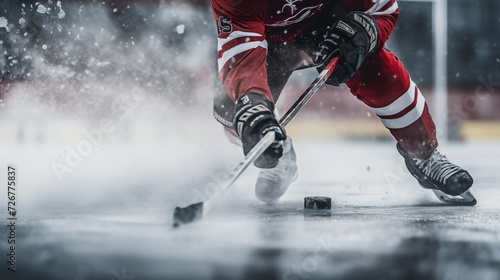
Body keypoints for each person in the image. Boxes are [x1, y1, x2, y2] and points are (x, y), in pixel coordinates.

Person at [210, 0, 475, 205]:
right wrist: (254, 108)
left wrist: (366, 31)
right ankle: (281, 151)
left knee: (378, 70)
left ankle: (424, 156)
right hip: (266, 39)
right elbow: (241, 55)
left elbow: (383, 9)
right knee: (236, 111)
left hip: (328, 24)